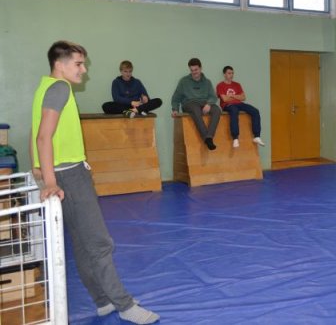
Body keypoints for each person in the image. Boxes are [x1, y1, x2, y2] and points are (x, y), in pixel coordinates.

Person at [30, 41, 159, 324]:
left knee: (81, 243)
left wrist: (38, 167)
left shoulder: (45, 86)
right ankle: (124, 305)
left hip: (63, 171)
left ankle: (103, 301)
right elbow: (43, 136)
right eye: (78, 64)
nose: (84, 70)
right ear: (60, 64)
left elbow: (36, 132)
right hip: (69, 176)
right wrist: (50, 181)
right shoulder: (60, 88)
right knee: (100, 243)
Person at [171, 58, 221, 150]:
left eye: (196, 70)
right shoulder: (183, 81)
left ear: (201, 68)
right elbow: (176, 98)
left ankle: (209, 136)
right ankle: (206, 138)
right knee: (195, 109)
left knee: (217, 110)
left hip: (204, 103)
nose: (194, 72)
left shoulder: (207, 82)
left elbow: (213, 96)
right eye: (192, 70)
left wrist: (209, 104)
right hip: (190, 103)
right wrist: (175, 109)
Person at [216, 65, 265, 148]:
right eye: (229, 73)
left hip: (239, 104)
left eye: (232, 73)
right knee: (234, 111)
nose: (231, 75)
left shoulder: (237, 85)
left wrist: (232, 96)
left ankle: (257, 136)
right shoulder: (220, 85)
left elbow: (243, 97)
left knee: (255, 111)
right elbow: (224, 99)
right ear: (224, 74)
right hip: (227, 105)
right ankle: (235, 138)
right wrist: (236, 96)